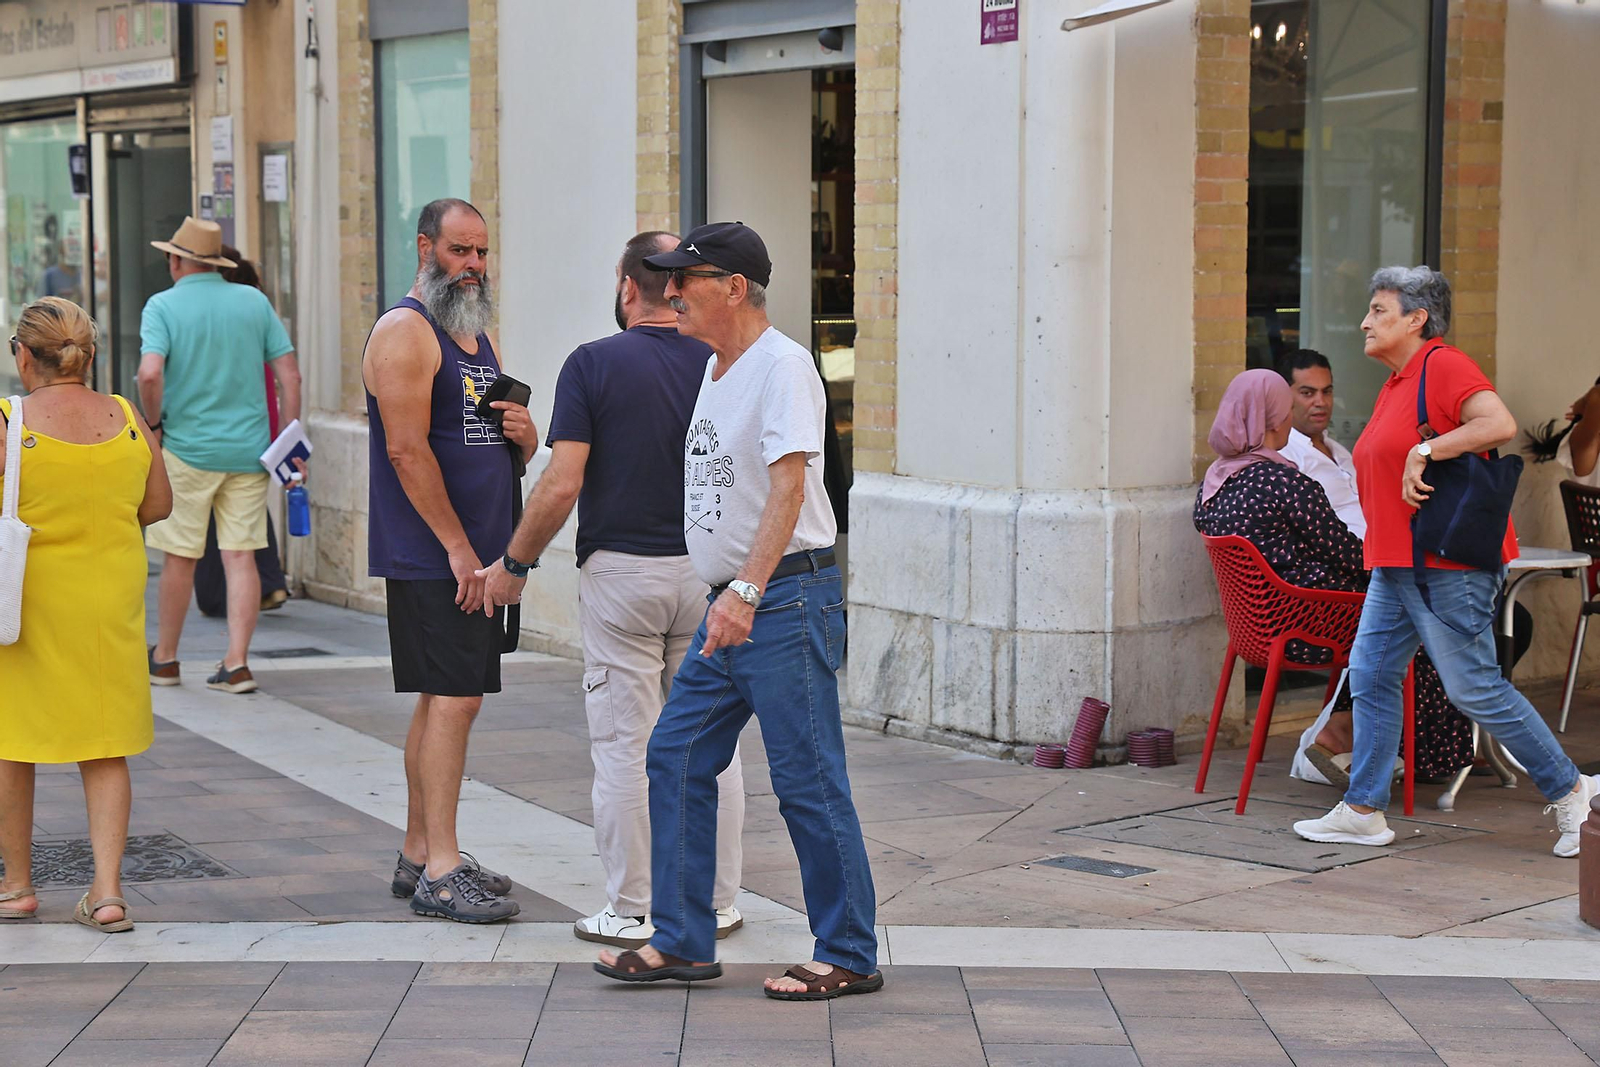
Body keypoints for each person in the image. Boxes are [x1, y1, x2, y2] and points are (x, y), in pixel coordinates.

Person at [593, 222, 881, 1001]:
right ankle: (684, 939)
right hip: (737, 601)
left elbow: (789, 485)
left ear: (734, 287)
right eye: (667, 278)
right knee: (675, 753)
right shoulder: (716, 370)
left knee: (807, 778)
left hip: (781, 597)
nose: (672, 291)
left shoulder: (783, 366)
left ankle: (850, 950)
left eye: (687, 278)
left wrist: (746, 591)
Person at [478, 232, 746, 947]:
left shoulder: (593, 363)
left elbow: (563, 481)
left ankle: (631, 907)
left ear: (629, 288)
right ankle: (717, 901)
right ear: (682, 287)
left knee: (627, 743)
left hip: (623, 574)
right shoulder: (723, 361)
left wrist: (514, 561)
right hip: (710, 572)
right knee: (711, 742)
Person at [1293, 266, 1600, 856]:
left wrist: (1425, 449)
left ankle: (1572, 793)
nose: (1365, 321)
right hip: (1398, 563)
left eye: (1379, 310)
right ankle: (1362, 810)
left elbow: (1499, 423)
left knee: (1474, 687)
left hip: (1444, 564)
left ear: (1417, 318)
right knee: (1376, 677)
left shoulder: (1443, 364)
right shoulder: (1396, 382)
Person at [363, 198, 538, 923]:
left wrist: (526, 437)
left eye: (482, 254)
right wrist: (459, 547)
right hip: (438, 555)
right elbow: (406, 450)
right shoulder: (406, 332)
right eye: (461, 251)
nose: (473, 267)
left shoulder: (475, 333)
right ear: (425, 246)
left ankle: (419, 850)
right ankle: (441, 869)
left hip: (480, 552)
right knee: (457, 697)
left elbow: (496, 442)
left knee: (443, 695)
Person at [0, 297, 172, 932]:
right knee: (105, 747)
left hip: (25, 606)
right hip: (109, 605)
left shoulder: (8, 421)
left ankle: (17, 885)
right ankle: (106, 892)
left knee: (11, 743)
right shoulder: (127, 418)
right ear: (89, 356)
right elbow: (157, 506)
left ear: (22, 355)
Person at [1269, 351, 1478, 788]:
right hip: (1341, 581)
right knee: (1431, 616)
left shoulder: (1343, 451)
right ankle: (1391, 743)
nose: (1319, 402)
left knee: (1462, 612)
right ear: (1283, 398)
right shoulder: (1288, 458)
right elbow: (1317, 540)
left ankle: (1408, 743)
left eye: (1326, 391)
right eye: (1306, 393)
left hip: (1381, 560)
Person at [138, 218, 302, 694]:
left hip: (187, 451)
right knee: (240, 556)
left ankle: (166, 659)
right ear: (214, 262)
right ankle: (236, 663)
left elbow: (150, 374)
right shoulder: (253, 301)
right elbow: (289, 377)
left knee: (180, 558)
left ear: (175, 260)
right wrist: (288, 440)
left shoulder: (162, 306)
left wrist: (153, 424)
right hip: (251, 452)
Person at [193, 248, 290, 617]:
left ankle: (230, 592)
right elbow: (278, 379)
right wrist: (279, 434)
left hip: (213, 438)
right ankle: (268, 582)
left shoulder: (225, 318)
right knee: (246, 517)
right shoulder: (252, 313)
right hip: (253, 431)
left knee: (217, 522)